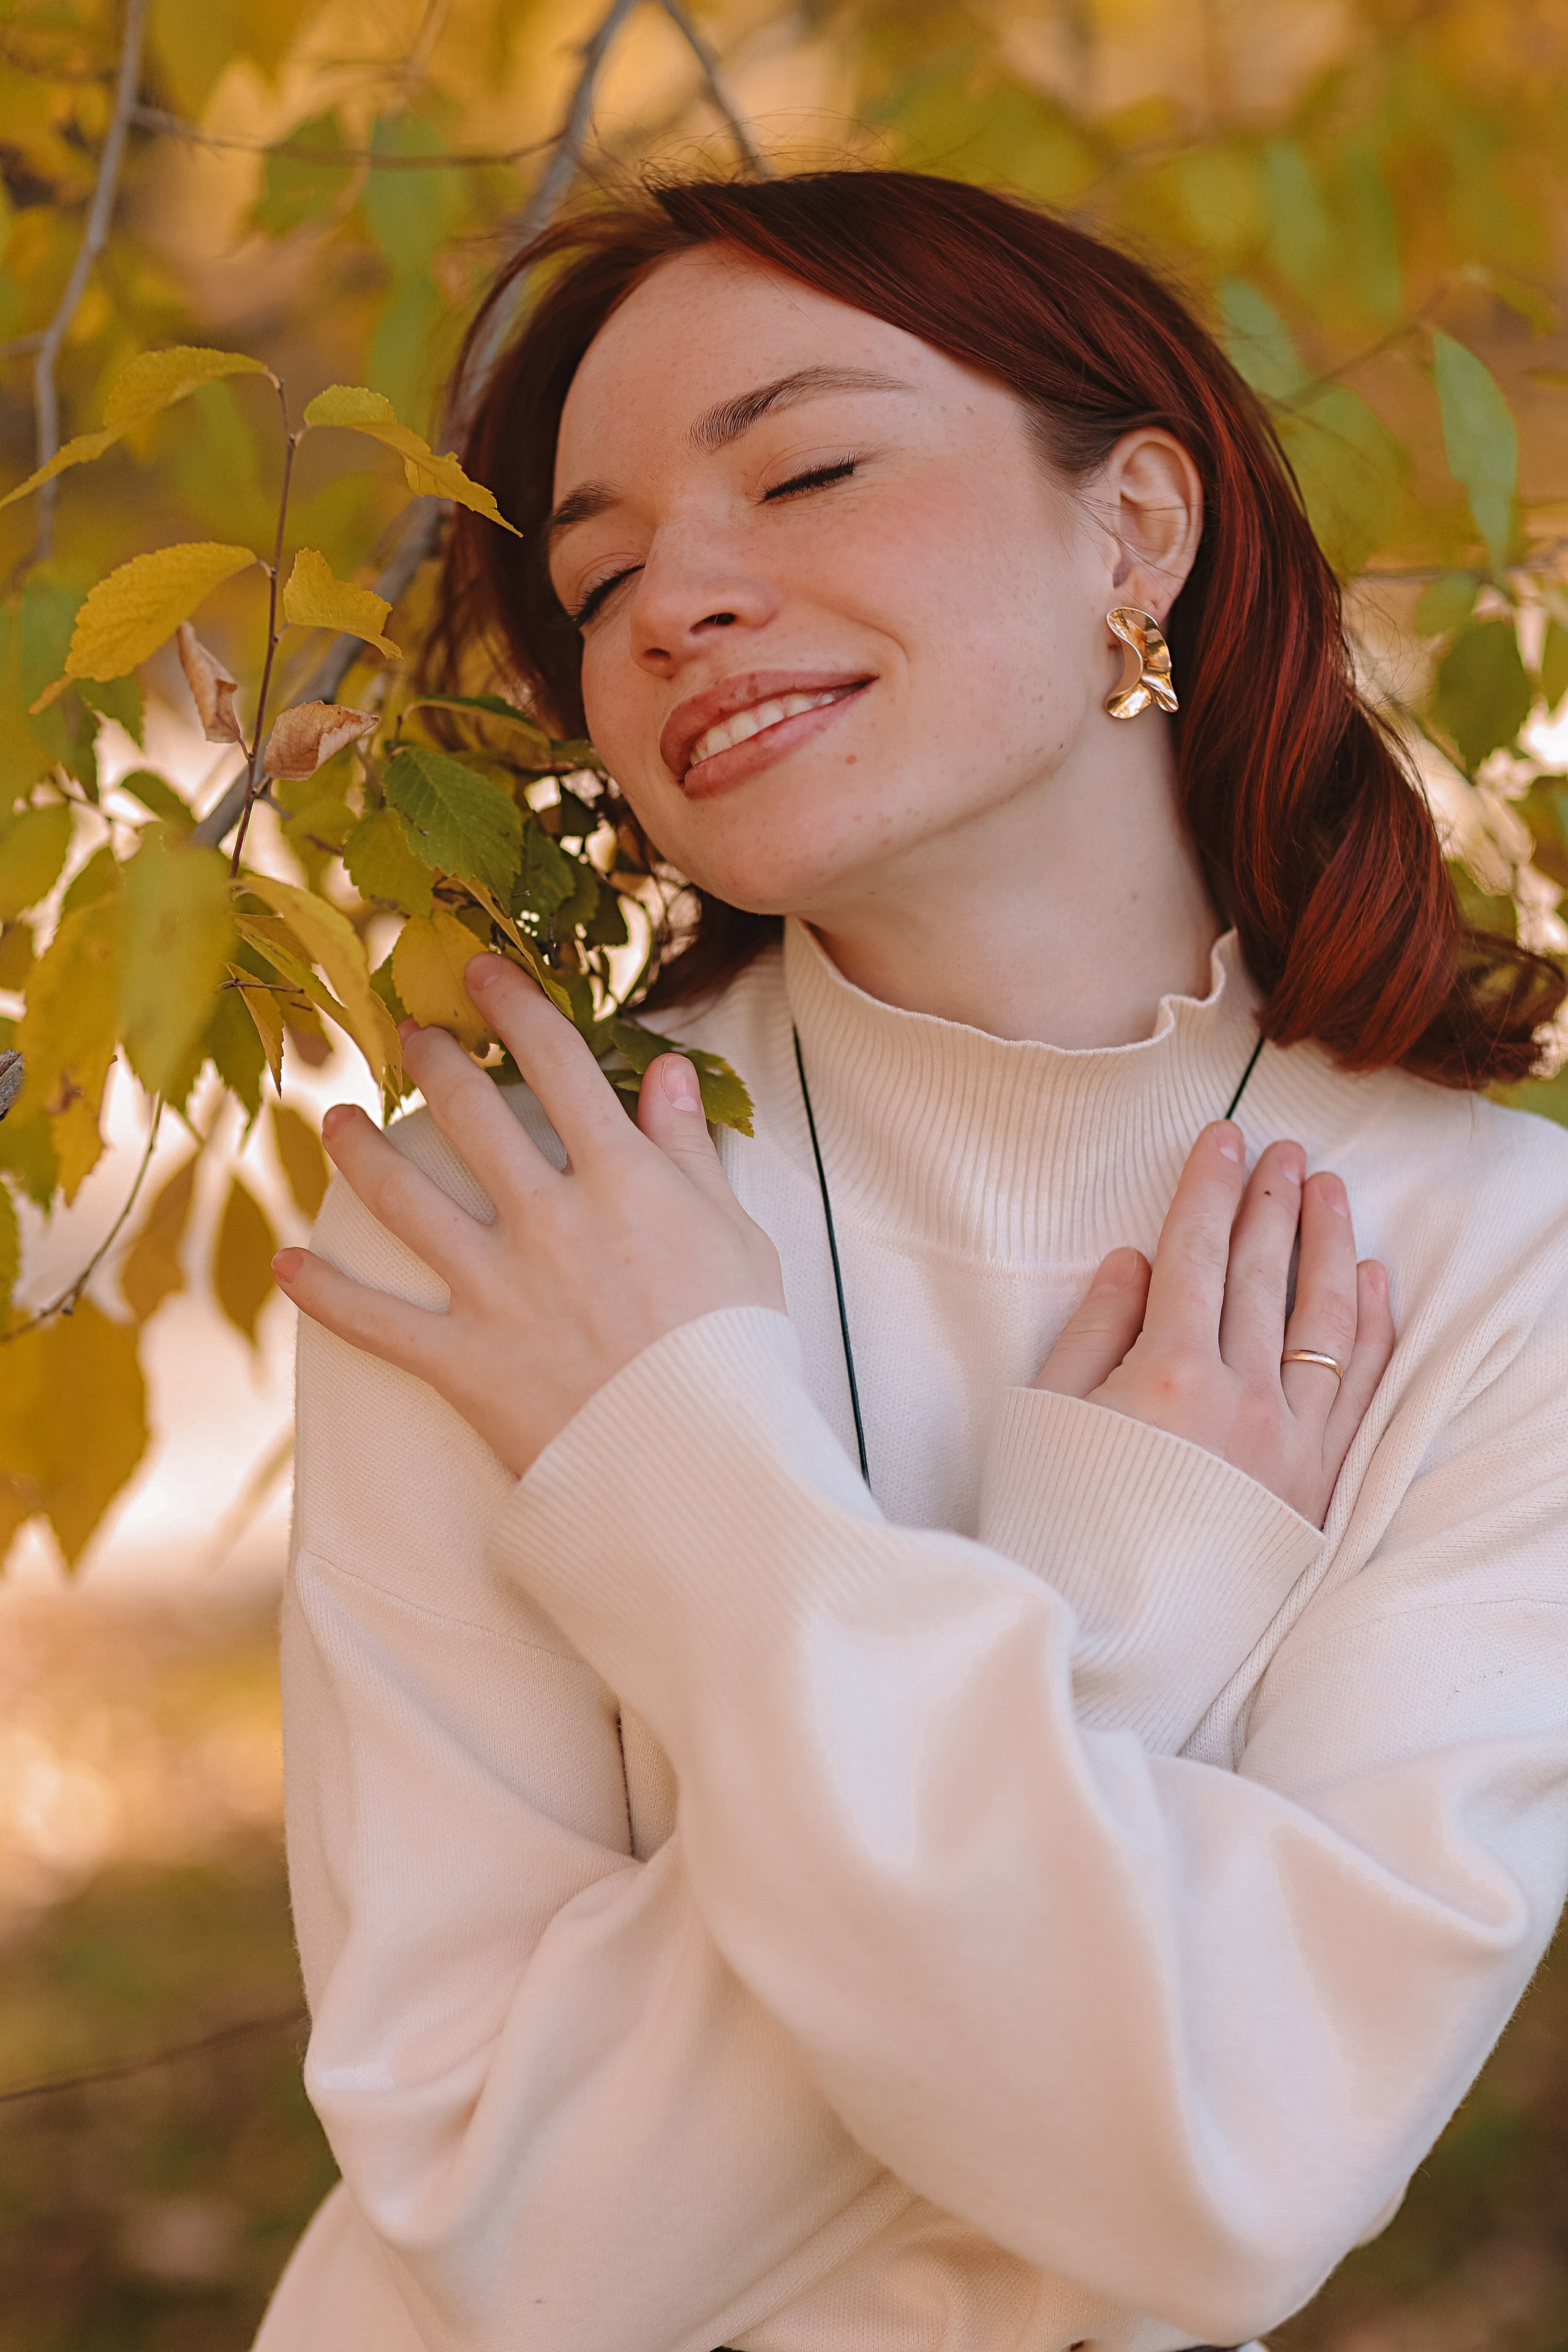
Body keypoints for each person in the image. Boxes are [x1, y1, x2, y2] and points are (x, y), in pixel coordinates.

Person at [255, 172, 1568, 2352]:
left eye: (811, 467)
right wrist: (1123, 1589)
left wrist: (683, 1487)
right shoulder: (516, 1217)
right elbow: (518, 2228)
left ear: (1135, 530)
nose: (676, 597)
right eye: (598, 577)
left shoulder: (1494, 1267)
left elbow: (1235, 2184)